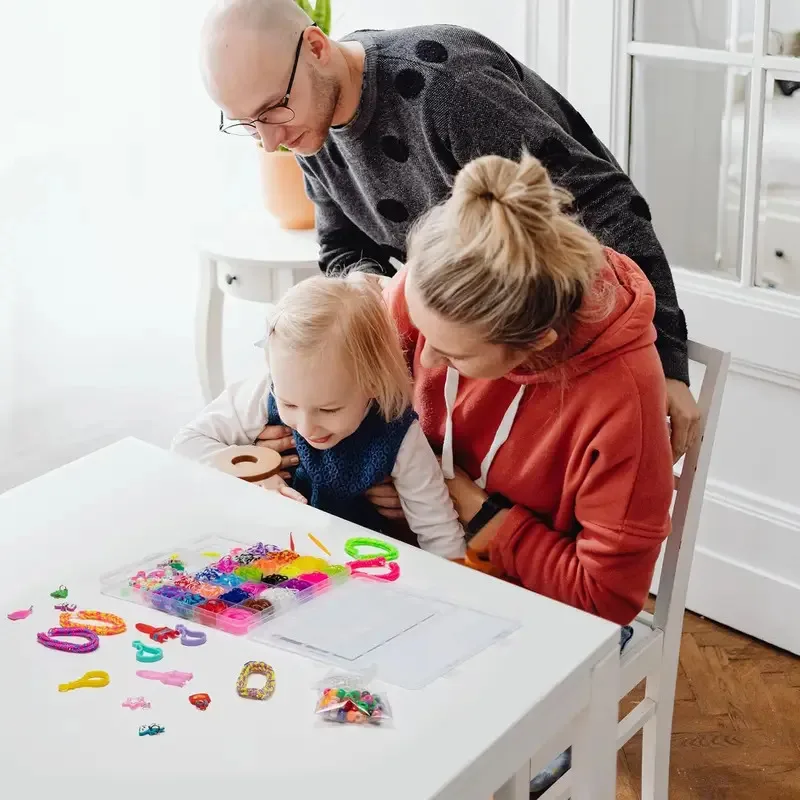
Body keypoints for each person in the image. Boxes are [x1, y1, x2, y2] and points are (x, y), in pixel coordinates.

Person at [200, 0, 701, 466]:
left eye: (273, 111)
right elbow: (343, 249)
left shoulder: (449, 87)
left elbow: (607, 202)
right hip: (466, 363)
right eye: (247, 124)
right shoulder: (308, 123)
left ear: (316, 46)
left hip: (560, 346)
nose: (270, 143)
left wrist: (669, 359)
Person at [391, 151, 675, 795]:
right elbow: (366, 389)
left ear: (536, 345)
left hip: (547, 613)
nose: (425, 356)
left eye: (454, 354)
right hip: (428, 563)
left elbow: (605, 601)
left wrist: (475, 507)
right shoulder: (432, 292)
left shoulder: (623, 396)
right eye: (422, 330)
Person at [171, 275, 465, 560]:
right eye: (289, 404)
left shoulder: (398, 431)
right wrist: (253, 476)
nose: (306, 426)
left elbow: (439, 532)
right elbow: (185, 444)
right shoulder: (264, 392)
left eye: (329, 410)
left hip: (351, 564)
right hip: (257, 552)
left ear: (374, 382)